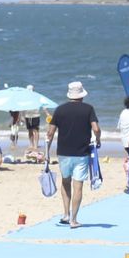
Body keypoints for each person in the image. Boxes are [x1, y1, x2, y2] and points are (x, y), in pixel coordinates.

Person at [46, 82, 100, 228]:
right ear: (82, 95)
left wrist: (47, 152)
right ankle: (74, 219)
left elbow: (50, 133)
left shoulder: (60, 110)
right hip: (81, 153)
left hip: (63, 152)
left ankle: (65, 214)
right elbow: (96, 128)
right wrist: (98, 140)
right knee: (78, 186)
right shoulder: (88, 109)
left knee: (65, 182)